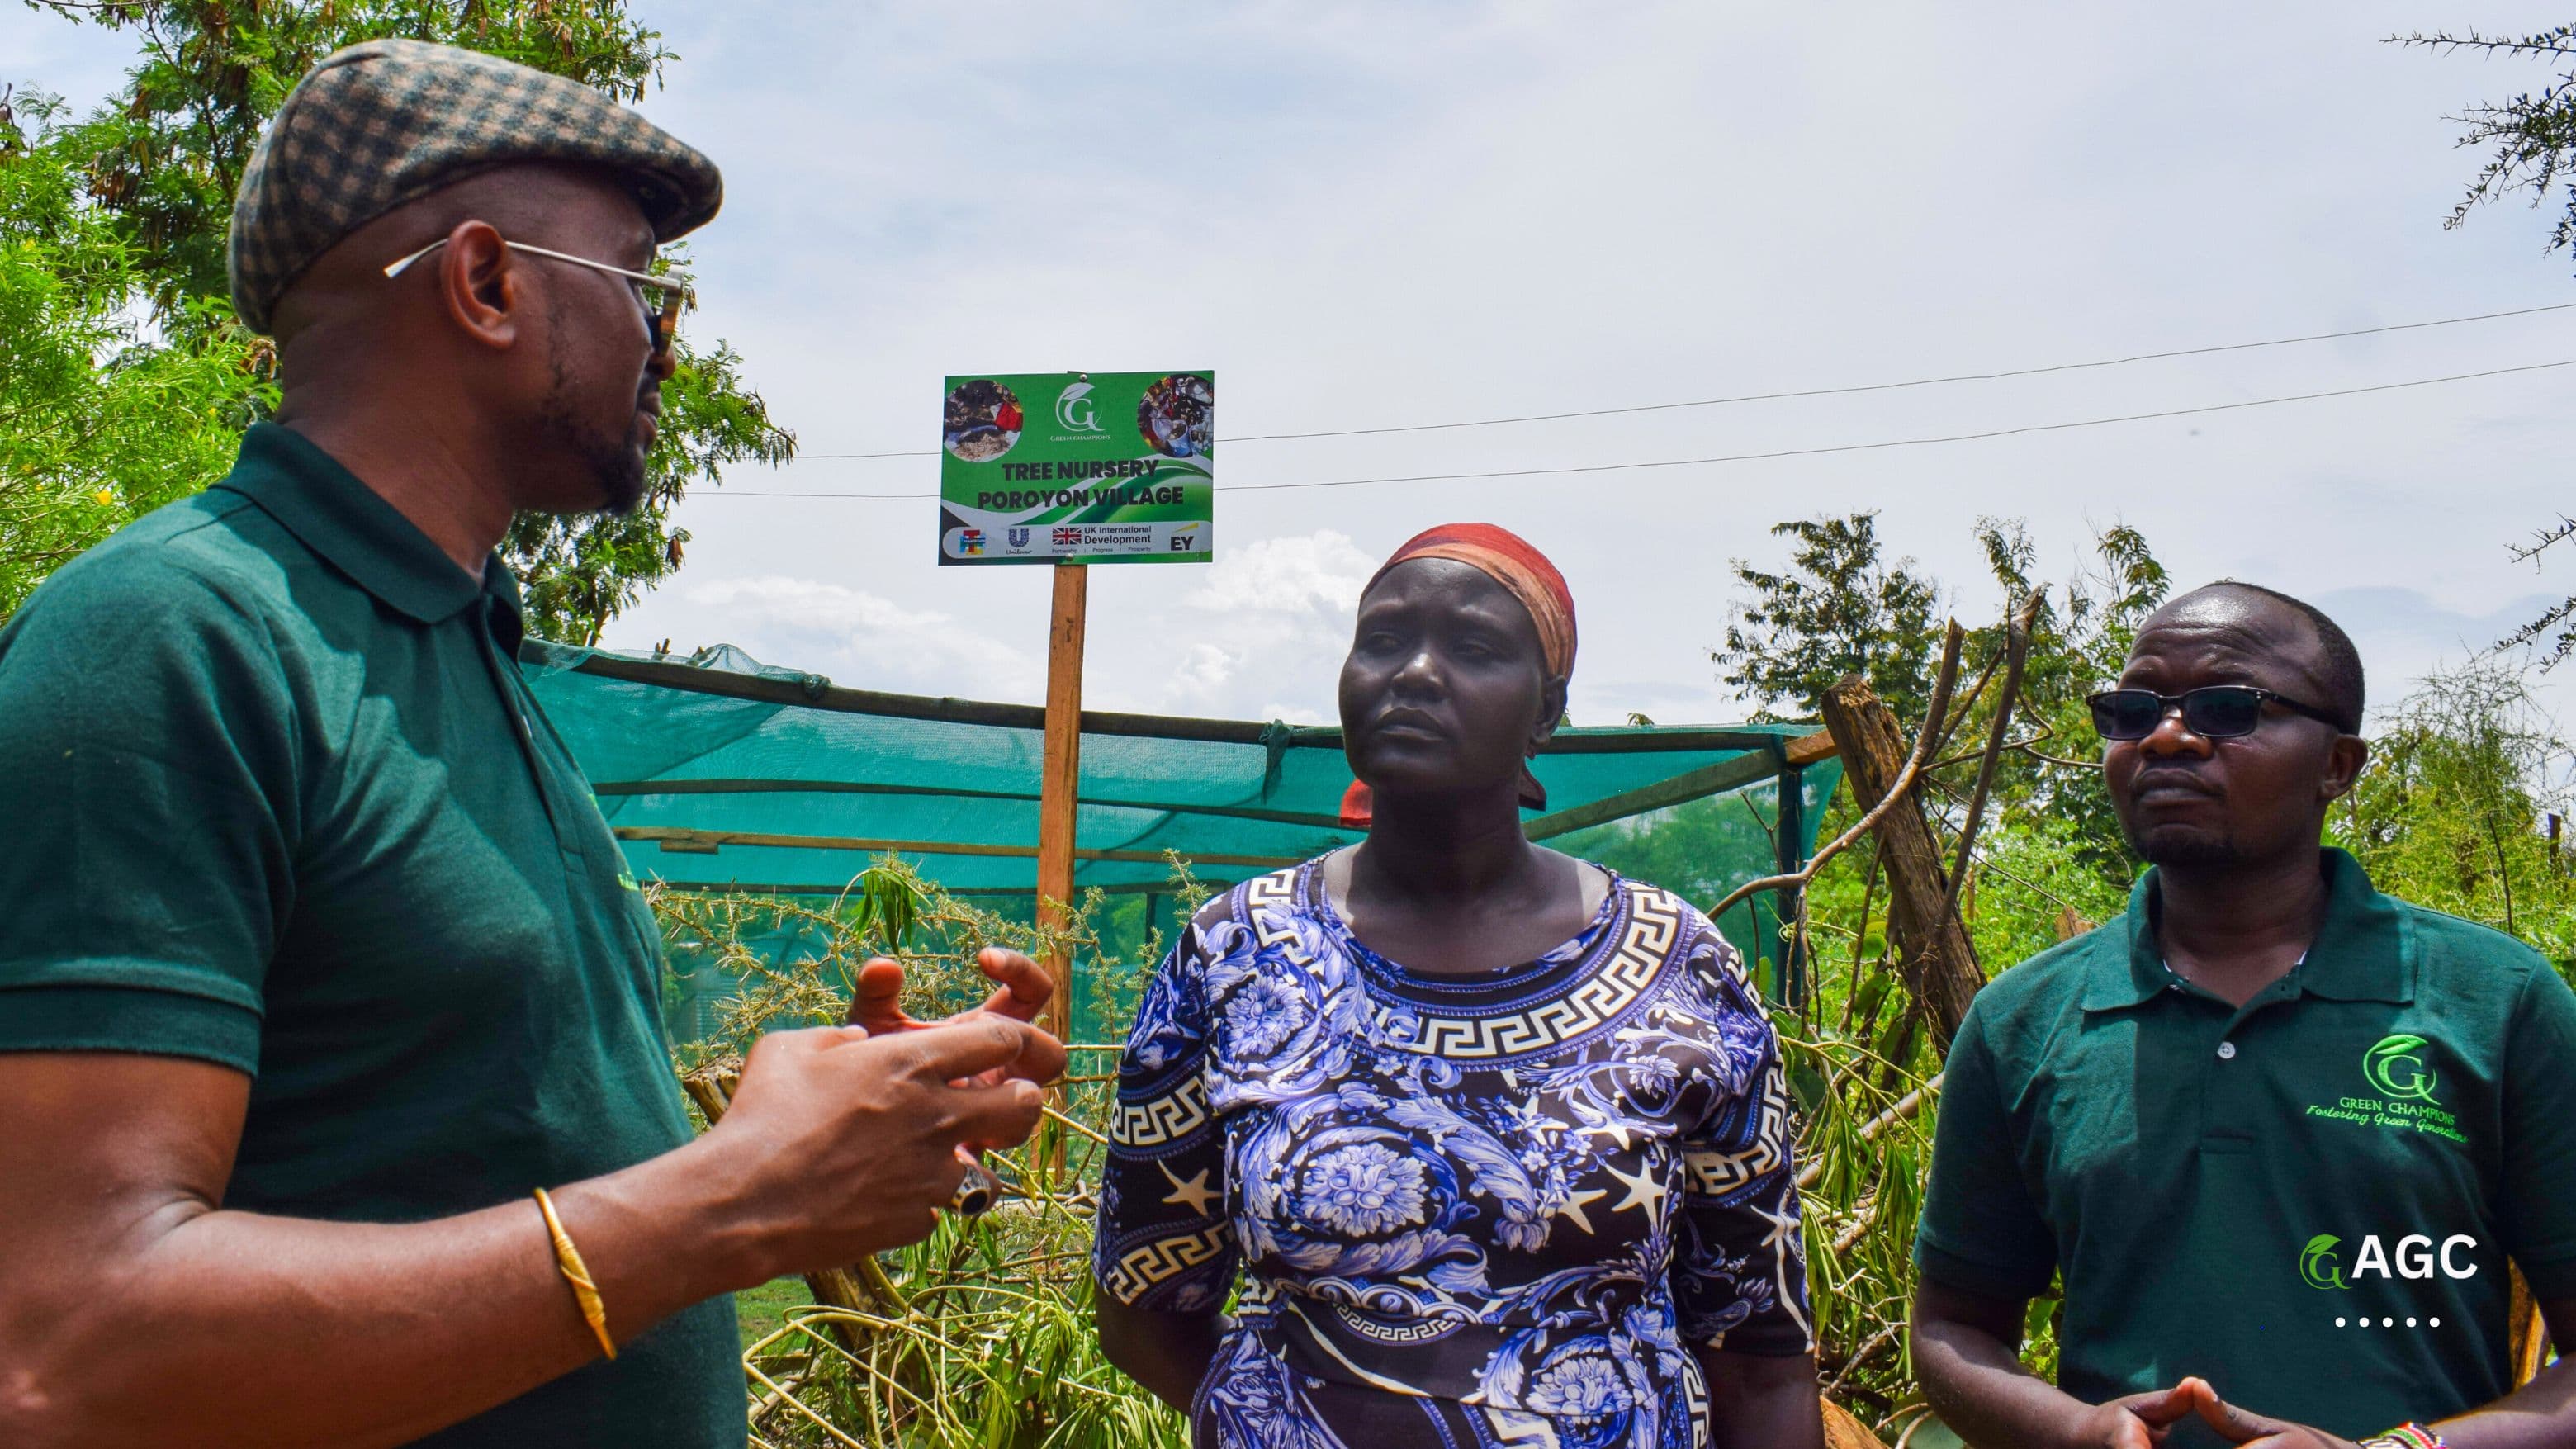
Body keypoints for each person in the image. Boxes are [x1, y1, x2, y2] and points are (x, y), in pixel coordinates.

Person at [0, 40, 1061, 1447]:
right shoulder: (169, 640)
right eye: (643, 286)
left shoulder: (456, 650)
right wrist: (730, 1202)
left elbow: (457, 1157)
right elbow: (66, 1348)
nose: (666, 344)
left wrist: (835, 1139)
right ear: (487, 283)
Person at [1092, 523, 1824, 1449]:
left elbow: (1760, 1355)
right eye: (1384, 641)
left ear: (1546, 711)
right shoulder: (1237, 949)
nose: (1416, 674)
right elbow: (1143, 1302)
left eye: (1473, 649)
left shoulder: (1681, 964)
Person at [1910, 582, 2576, 1449]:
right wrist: (2075, 1433)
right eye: (2132, 709)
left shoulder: (2496, 1001)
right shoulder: (2024, 1023)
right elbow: (1952, 1330)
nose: (2167, 737)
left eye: (2228, 709)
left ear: (2338, 766)